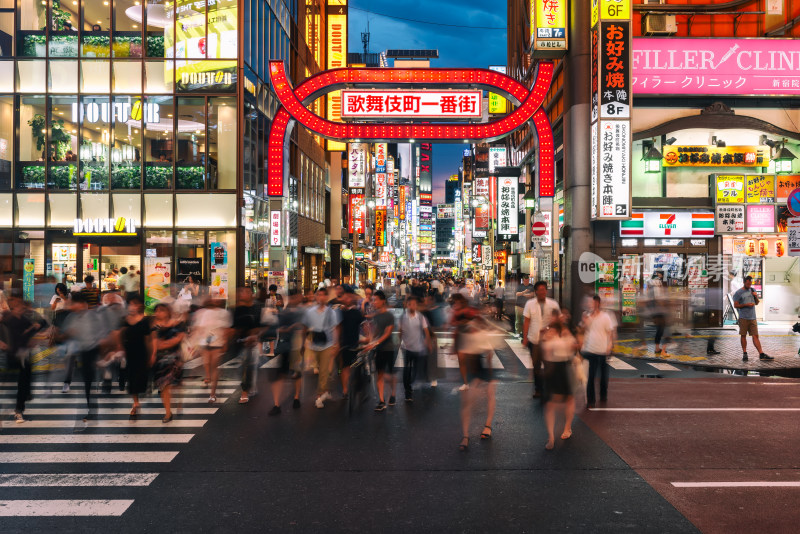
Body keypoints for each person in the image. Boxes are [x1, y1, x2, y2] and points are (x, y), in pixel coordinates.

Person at [452, 294, 496, 451]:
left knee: (489, 393)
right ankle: (465, 435)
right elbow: (462, 355)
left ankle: (487, 425)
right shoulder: (464, 330)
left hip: (481, 365)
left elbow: (488, 348)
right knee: (468, 402)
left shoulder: (475, 324)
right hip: (474, 368)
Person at [0, 294, 46, 423]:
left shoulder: (25, 319)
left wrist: (35, 337)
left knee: (23, 382)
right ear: (12, 304)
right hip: (10, 354)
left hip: (24, 355)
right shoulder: (7, 318)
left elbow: (35, 330)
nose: (20, 306)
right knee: (8, 383)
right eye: (17, 304)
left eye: (22, 304)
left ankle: (19, 410)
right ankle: (22, 399)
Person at [541, 308, 581, 450]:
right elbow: (543, 350)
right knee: (550, 403)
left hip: (565, 367)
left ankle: (567, 428)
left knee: (569, 398)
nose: (553, 319)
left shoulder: (564, 331)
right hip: (552, 368)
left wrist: (570, 343)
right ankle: (551, 436)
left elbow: (574, 347)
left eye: (554, 317)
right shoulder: (547, 331)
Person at [59, 292, 104, 418]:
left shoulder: (94, 316)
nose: (73, 306)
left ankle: (92, 409)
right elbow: (66, 333)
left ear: (83, 304)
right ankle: (91, 408)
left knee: (89, 380)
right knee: (87, 380)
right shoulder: (72, 317)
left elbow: (102, 333)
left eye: (75, 303)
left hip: (93, 350)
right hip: (82, 351)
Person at [302, 287, 340, 409]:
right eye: (319, 295)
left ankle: (319, 396)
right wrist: (304, 342)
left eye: (324, 295)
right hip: (314, 345)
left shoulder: (331, 312)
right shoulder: (310, 312)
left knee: (323, 371)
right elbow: (305, 327)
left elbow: (334, 328)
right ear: (316, 296)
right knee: (320, 370)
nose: (321, 297)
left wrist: (335, 343)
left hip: (327, 345)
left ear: (327, 297)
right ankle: (326, 391)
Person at [268, 289, 304, 414]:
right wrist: (289, 329)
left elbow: (306, 329)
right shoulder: (286, 312)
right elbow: (278, 329)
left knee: (295, 373)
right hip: (288, 346)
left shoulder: (301, 312)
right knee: (286, 374)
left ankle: (296, 397)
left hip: (295, 347)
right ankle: (278, 403)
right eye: (294, 297)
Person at [523, 281, 560, 399]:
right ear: (536, 292)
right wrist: (525, 338)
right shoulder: (530, 304)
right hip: (534, 340)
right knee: (536, 367)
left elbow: (558, 320)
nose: (542, 292)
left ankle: (550, 388)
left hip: (549, 341)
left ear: (546, 291)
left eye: (544, 289)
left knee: (550, 365)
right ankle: (538, 389)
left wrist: (550, 329)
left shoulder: (553, 304)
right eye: (540, 290)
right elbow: (527, 321)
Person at [192, 298, 232, 403]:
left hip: (217, 343)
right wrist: (194, 343)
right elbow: (197, 328)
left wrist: (225, 342)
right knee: (206, 363)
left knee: (214, 367)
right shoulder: (201, 313)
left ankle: (212, 394)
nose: (214, 302)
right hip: (203, 342)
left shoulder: (223, 313)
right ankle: (208, 377)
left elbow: (226, 329)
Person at [579, 295, 616, 408]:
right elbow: (583, 330)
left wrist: (610, 346)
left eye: (593, 303)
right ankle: (591, 400)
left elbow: (610, 333)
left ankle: (603, 395)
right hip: (590, 350)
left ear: (598, 304)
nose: (591, 305)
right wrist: (585, 321)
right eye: (590, 303)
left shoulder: (605, 316)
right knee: (591, 376)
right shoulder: (587, 316)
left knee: (604, 376)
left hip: (603, 350)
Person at [151, 303, 185, 423]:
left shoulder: (177, 324)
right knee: (164, 385)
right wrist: (164, 344)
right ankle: (168, 412)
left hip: (175, 358)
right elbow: (155, 343)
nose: (158, 312)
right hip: (160, 360)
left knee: (175, 384)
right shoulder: (153, 326)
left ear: (168, 312)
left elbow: (179, 338)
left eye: (161, 310)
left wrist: (164, 343)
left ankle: (178, 403)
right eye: (156, 310)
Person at [118, 295, 150, 418]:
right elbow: (120, 335)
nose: (132, 306)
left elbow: (148, 339)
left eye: (135, 304)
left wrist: (152, 354)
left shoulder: (145, 320)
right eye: (130, 304)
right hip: (129, 352)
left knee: (141, 376)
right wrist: (120, 348)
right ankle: (135, 403)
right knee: (131, 377)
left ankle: (140, 395)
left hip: (142, 352)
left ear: (140, 305)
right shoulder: (125, 319)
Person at [366, 290, 396, 411]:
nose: (373, 302)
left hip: (389, 348)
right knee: (380, 375)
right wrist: (370, 340)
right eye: (372, 300)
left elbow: (387, 333)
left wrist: (374, 343)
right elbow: (377, 332)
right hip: (379, 349)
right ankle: (381, 401)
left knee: (390, 375)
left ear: (383, 301)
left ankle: (393, 393)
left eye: (375, 300)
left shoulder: (389, 316)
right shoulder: (376, 316)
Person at [400, 295, 433, 402]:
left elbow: (426, 331)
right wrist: (401, 343)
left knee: (415, 369)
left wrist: (428, 343)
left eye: (414, 304)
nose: (412, 306)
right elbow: (400, 331)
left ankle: (412, 383)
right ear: (407, 305)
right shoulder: (403, 317)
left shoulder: (420, 317)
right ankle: (407, 391)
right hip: (407, 348)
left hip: (418, 347)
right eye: (410, 304)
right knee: (406, 370)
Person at [733, 276, 773, 361]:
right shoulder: (738, 293)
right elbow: (735, 305)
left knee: (755, 336)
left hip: (753, 317)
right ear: (744, 282)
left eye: (750, 283)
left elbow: (757, 303)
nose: (749, 285)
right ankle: (745, 353)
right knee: (743, 335)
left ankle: (761, 354)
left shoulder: (752, 290)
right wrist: (745, 305)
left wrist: (756, 296)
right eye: (748, 283)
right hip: (743, 317)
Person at [233, 287, 262, 404]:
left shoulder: (256, 308)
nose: (242, 294)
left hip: (252, 342)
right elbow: (234, 326)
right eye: (241, 291)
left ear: (251, 294)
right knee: (247, 366)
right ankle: (251, 387)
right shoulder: (238, 309)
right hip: (241, 342)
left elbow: (260, 325)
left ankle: (245, 391)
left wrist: (254, 335)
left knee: (248, 366)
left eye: (246, 292)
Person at [337, 285, 364, 400]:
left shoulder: (357, 312)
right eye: (346, 296)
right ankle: (345, 390)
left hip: (355, 343)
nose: (347, 299)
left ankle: (357, 385)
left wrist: (368, 338)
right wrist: (337, 343)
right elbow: (338, 328)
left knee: (357, 366)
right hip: (344, 344)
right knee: (345, 367)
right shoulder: (341, 312)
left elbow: (364, 325)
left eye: (349, 296)